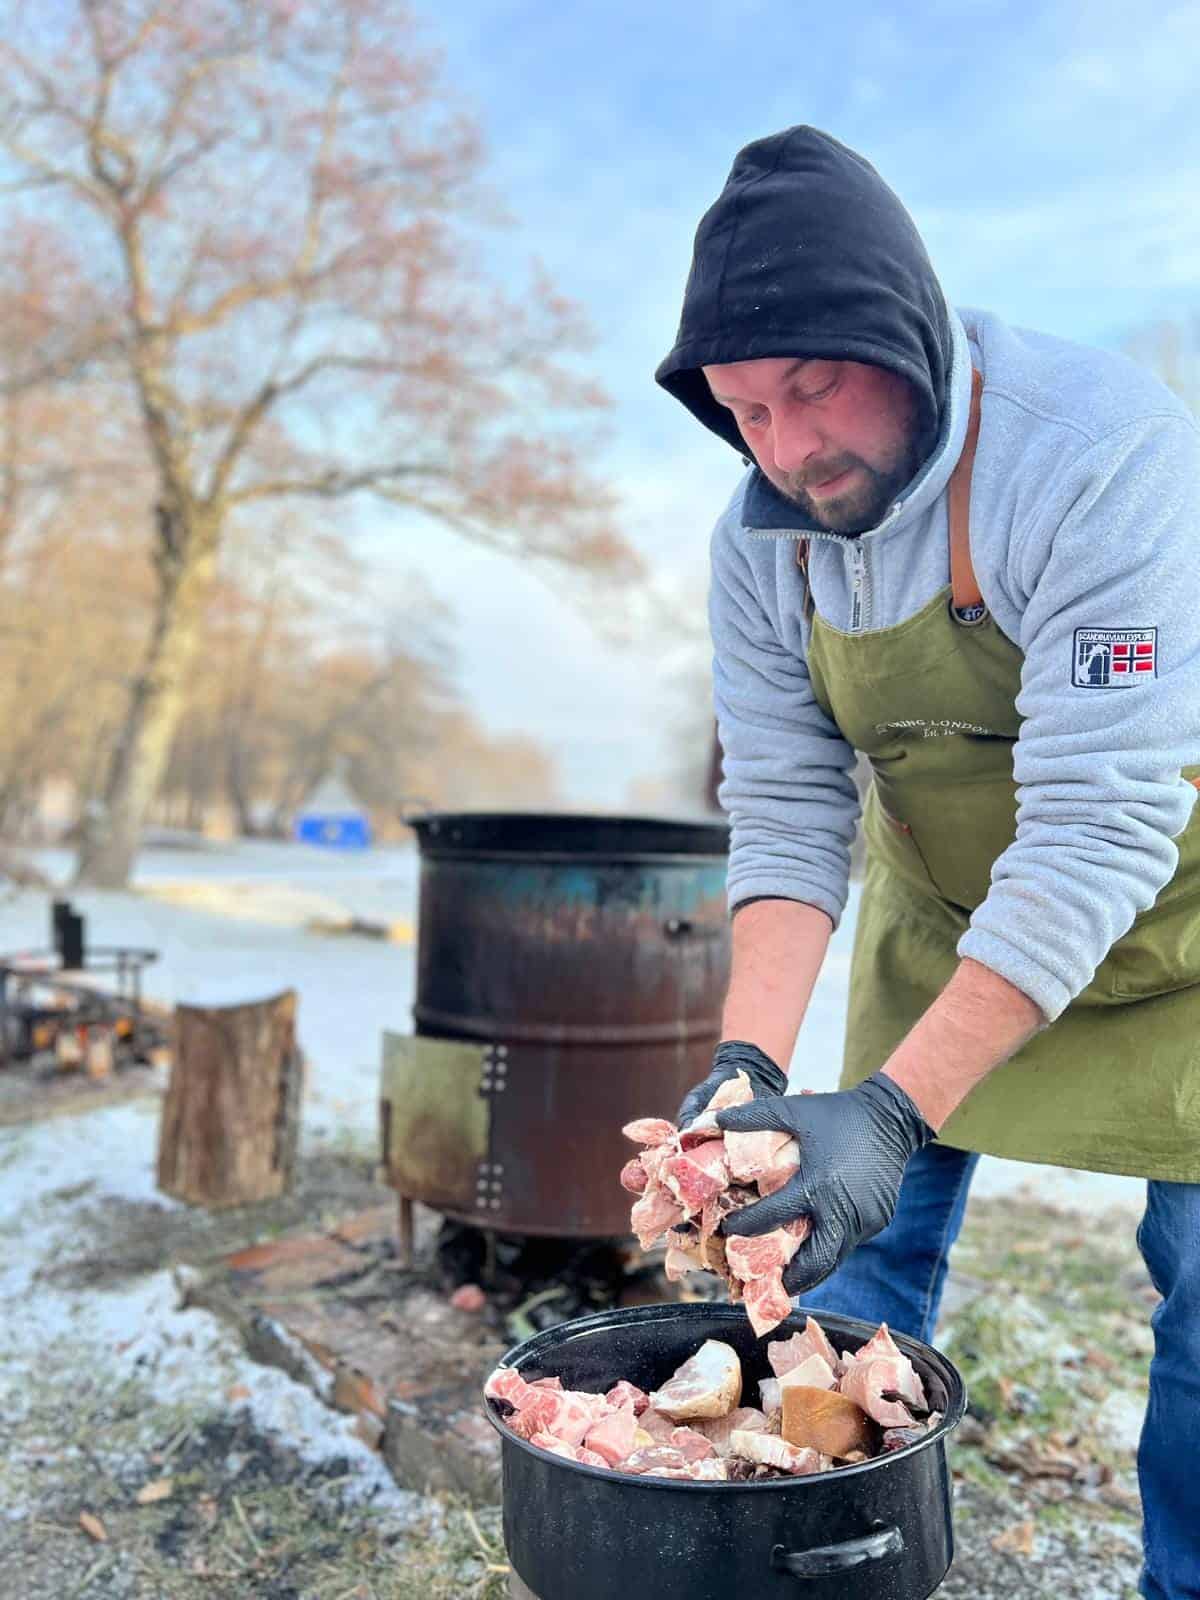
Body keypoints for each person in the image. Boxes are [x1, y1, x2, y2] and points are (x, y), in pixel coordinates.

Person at [655, 127, 1200, 1600]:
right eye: (747, 412)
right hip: (942, 897)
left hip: (1177, 924)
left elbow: (1099, 824)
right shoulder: (762, 538)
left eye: (815, 388)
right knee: (842, 1261)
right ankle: (824, 1563)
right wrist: (747, 1067)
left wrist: (894, 1107)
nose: (787, 448)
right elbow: (784, 804)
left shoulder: (1098, 453)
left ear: (900, 327)